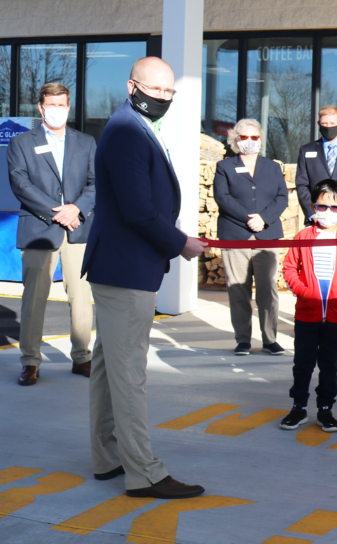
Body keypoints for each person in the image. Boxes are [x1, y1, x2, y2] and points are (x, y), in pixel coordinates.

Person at [82, 56, 206, 499]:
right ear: (132, 86)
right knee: (129, 374)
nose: (163, 97)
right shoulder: (126, 131)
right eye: (156, 90)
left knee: (108, 368)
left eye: (170, 91)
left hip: (121, 267)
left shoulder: (133, 126)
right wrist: (180, 243)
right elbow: (138, 210)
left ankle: (108, 456)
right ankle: (145, 473)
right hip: (126, 270)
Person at [7, 83, 96, 385]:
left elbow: (96, 182)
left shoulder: (86, 142)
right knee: (34, 298)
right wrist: (58, 211)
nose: (56, 110)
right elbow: (20, 183)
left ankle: (82, 357)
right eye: (51, 105)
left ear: (68, 107)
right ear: (41, 107)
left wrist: (76, 209)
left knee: (81, 297)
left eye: (61, 105)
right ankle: (30, 361)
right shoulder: (21, 142)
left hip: (77, 229)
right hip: (39, 228)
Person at [279, 179, 337, 433]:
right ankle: (298, 408)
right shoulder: (303, 236)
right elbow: (289, 268)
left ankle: (325, 409)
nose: (328, 212)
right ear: (313, 207)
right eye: (322, 206)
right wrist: (303, 291)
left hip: (336, 315)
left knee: (329, 366)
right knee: (302, 363)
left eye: (335, 207)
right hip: (307, 314)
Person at [213, 119, 289, 357]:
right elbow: (222, 197)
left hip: (267, 236)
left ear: (260, 140)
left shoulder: (272, 167)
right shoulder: (225, 166)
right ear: (235, 140)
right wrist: (248, 219)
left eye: (254, 137)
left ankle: (270, 339)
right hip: (235, 235)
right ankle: (243, 340)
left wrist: (263, 219)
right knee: (238, 290)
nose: (249, 141)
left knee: (268, 290)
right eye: (244, 137)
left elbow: (282, 197)